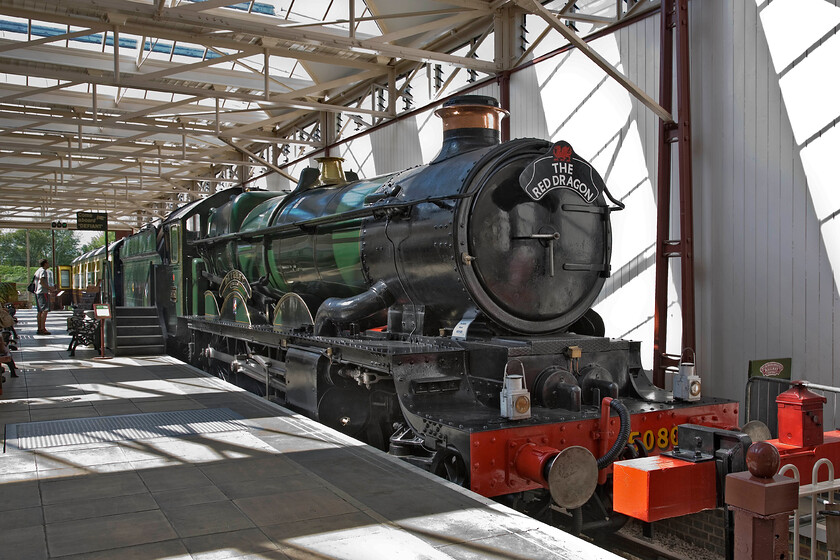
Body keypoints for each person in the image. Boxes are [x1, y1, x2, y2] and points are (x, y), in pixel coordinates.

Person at [34, 258, 51, 335]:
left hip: (37, 292)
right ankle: (43, 328)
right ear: (45, 264)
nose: (48, 264)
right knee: (45, 310)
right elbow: (41, 281)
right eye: (47, 263)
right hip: (43, 292)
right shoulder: (43, 271)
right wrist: (49, 288)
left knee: (39, 311)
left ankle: (39, 328)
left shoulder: (37, 271)